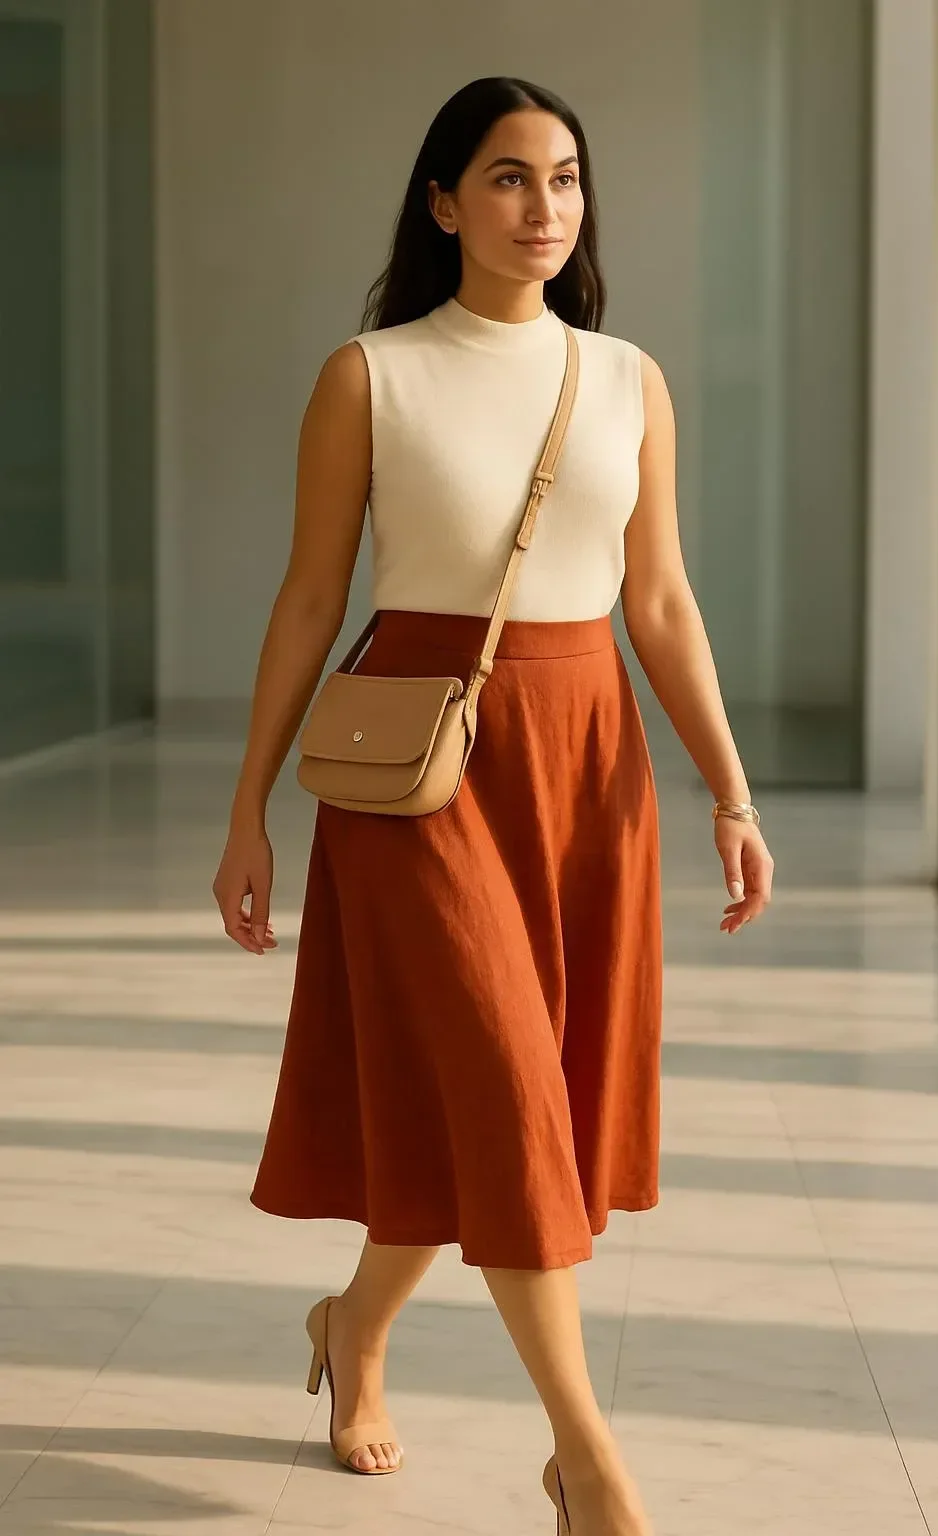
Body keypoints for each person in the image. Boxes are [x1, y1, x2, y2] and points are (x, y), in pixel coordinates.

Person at [212, 74, 773, 1536]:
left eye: (568, 180)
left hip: (588, 763)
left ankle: (355, 1331)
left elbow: (658, 597)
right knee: (507, 1090)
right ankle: (585, 1458)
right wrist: (245, 810)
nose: (545, 207)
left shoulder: (626, 379)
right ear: (445, 202)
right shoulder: (371, 374)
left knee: (506, 1105)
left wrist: (727, 786)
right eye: (511, 178)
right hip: (417, 772)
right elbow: (305, 601)